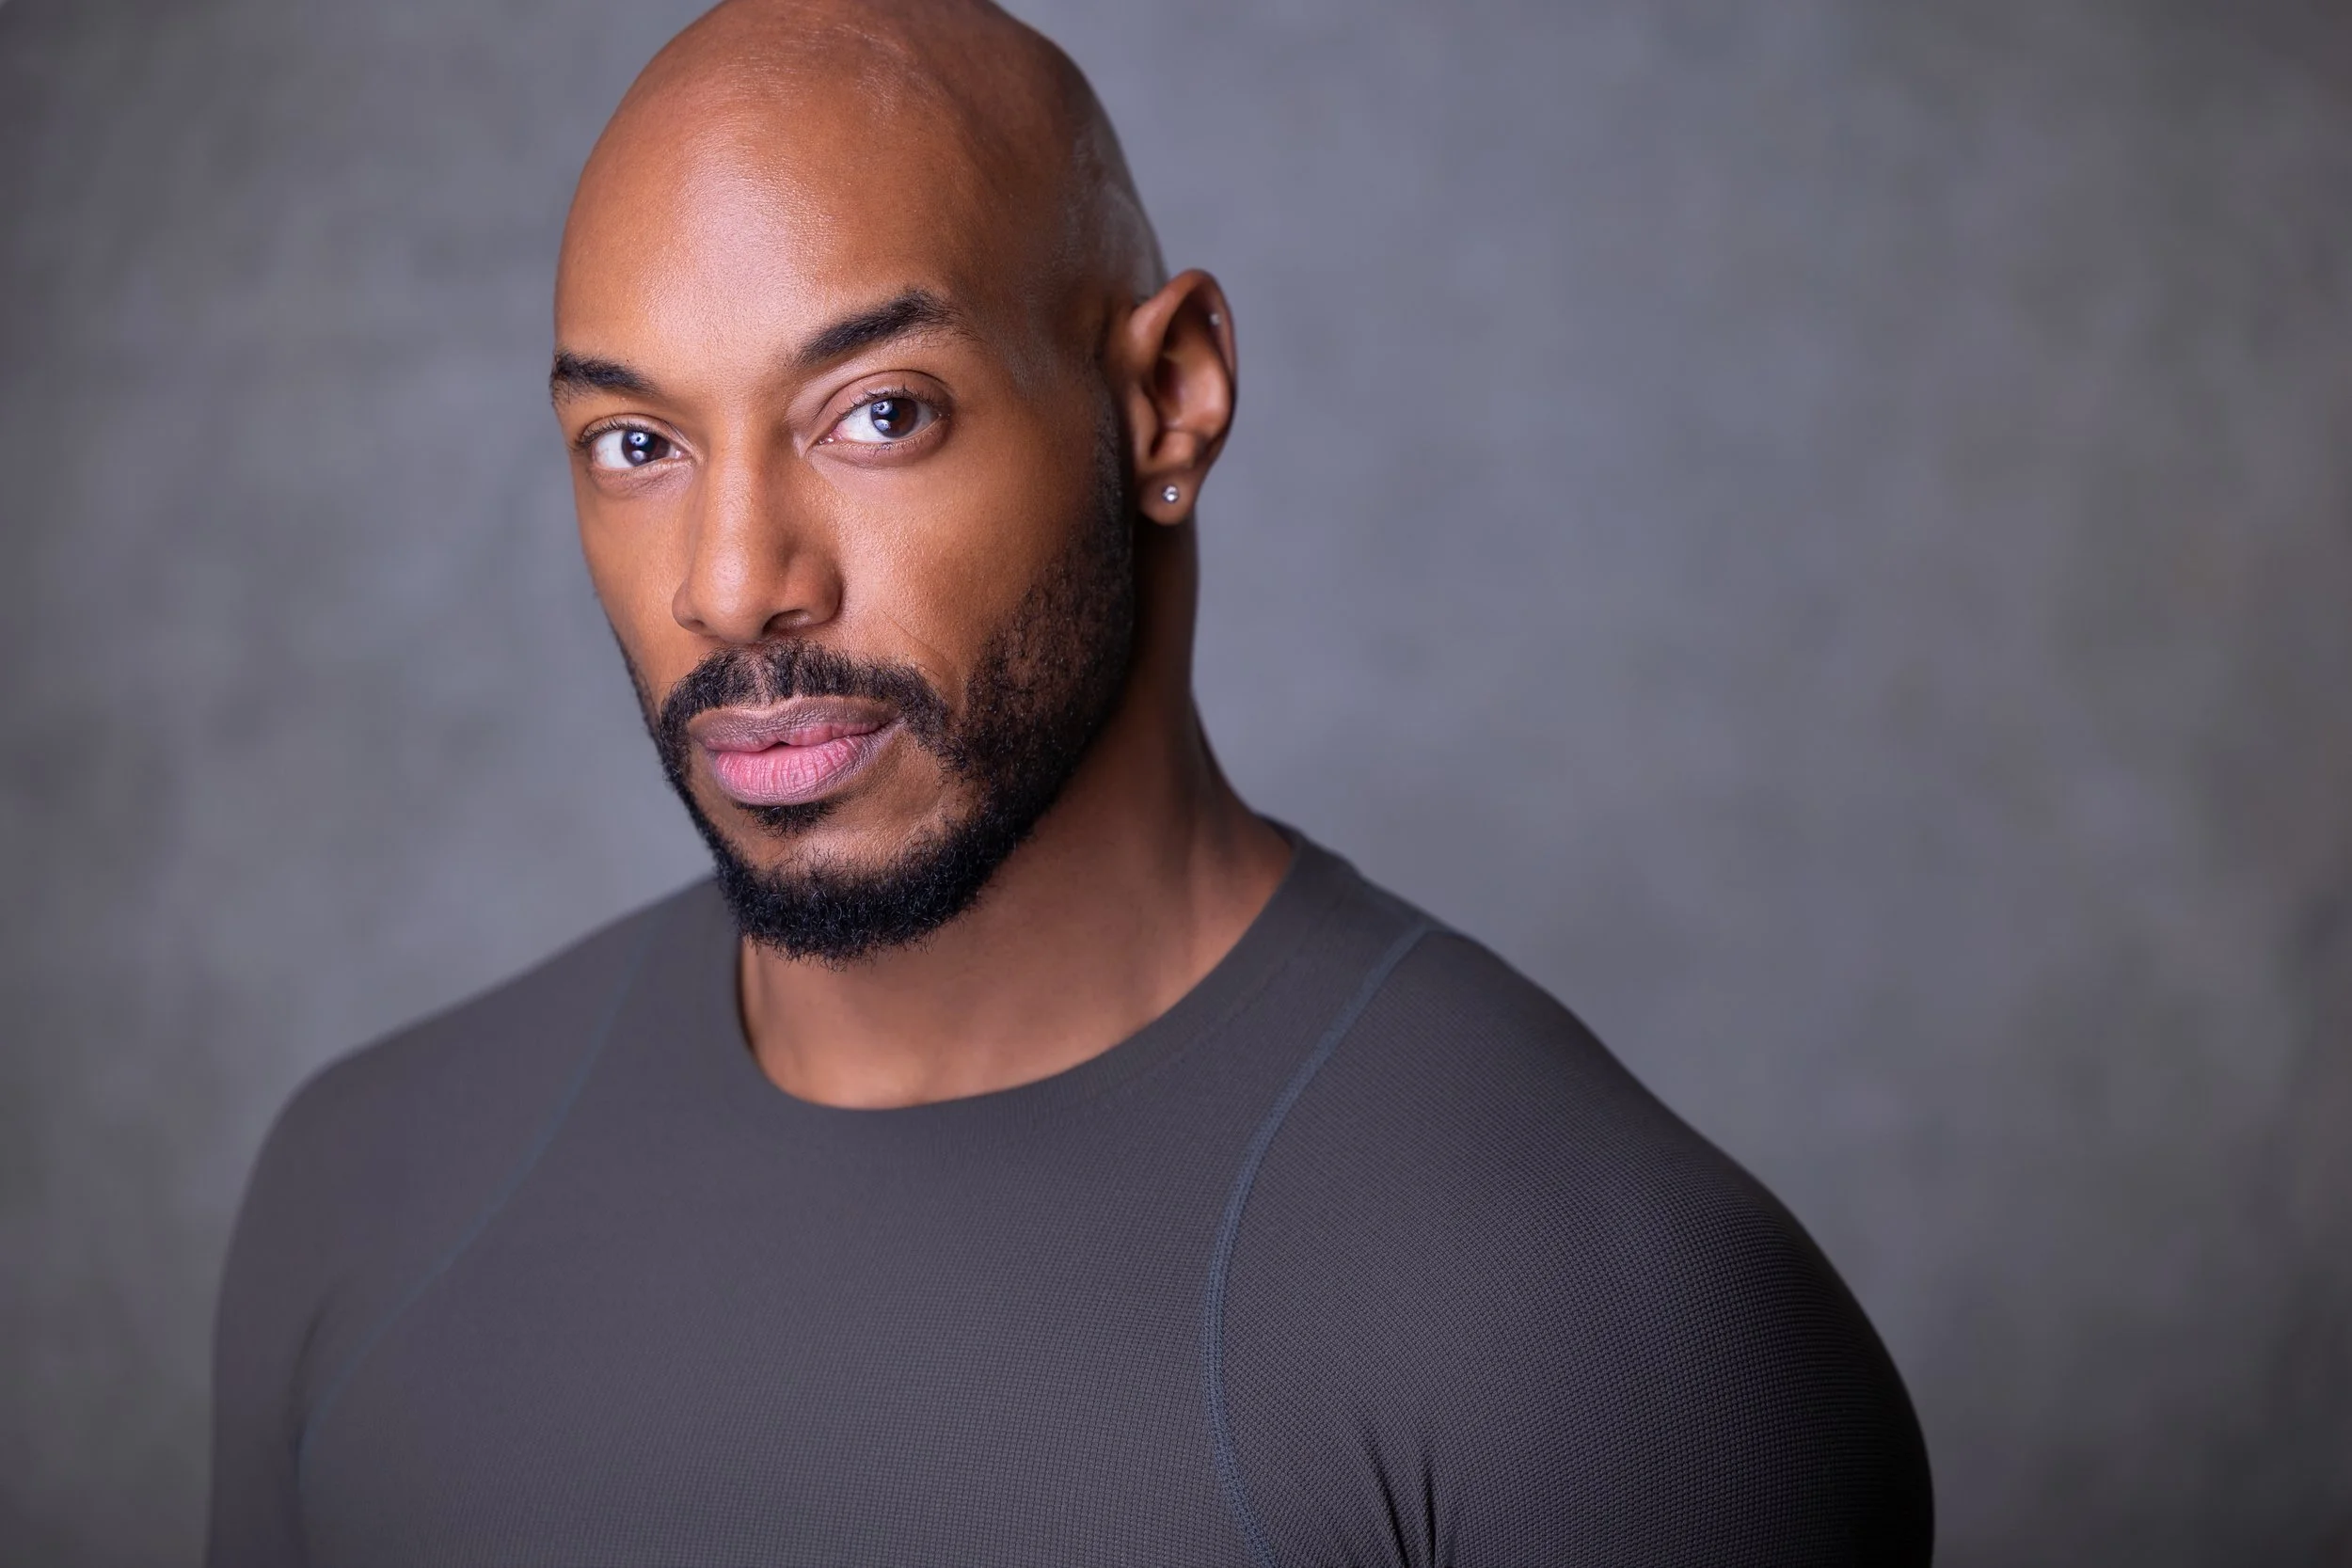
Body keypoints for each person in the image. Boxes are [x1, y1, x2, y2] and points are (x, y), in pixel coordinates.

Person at [206, 1, 1934, 1561]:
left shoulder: (1614, 1343)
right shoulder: (363, 1194)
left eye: (878, 412)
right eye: (637, 445)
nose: (729, 583)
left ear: (1167, 402)